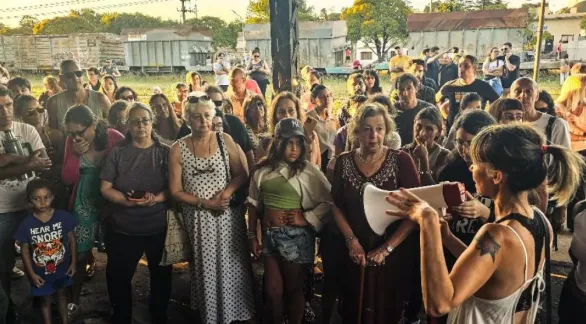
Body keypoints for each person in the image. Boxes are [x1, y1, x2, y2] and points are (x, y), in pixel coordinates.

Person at [386, 123, 583, 323]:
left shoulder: (496, 235)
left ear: (496, 176)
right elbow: (490, 267)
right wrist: (446, 237)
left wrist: (427, 222)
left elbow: (439, 304)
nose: (471, 168)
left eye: (476, 163)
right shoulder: (540, 220)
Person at [168, 91, 255, 324]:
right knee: (206, 266)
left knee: (233, 264)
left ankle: (237, 313)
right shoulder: (178, 148)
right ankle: (212, 315)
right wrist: (205, 203)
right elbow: (175, 190)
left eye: (207, 115)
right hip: (198, 218)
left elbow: (242, 174)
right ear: (187, 119)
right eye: (197, 117)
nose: (203, 121)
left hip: (227, 214)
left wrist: (225, 194)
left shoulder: (224, 139)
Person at [331, 102, 422, 323]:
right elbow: (336, 205)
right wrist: (351, 241)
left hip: (394, 252)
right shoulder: (343, 162)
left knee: (386, 310)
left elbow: (417, 209)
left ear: (387, 131)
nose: (374, 135)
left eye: (379, 128)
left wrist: (387, 248)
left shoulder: (401, 160)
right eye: (367, 129)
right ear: (357, 132)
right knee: (354, 308)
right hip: (355, 251)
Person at [247, 117, 332, 324]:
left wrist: (307, 218)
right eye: (288, 143)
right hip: (269, 237)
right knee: (273, 290)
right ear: (277, 143)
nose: (294, 148)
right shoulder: (262, 171)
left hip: (296, 238)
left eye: (298, 143)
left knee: (295, 288)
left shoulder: (308, 170)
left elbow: (329, 201)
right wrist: (252, 235)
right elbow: (253, 203)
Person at [100, 103, 171, 324]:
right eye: (135, 121)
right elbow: (105, 188)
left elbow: (176, 188)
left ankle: (158, 315)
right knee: (118, 277)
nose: (141, 125)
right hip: (123, 227)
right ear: (127, 125)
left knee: (161, 277)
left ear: (152, 123)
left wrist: (155, 199)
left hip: (158, 226)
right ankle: (121, 316)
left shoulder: (165, 152)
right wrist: (127, 202)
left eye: (145, 120)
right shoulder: (118, 153)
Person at [61, 105, 124, 314]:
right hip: (83, 203)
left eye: (80, 131)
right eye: (71, 133)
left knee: (116, 254)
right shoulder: (72, 143)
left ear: (94, 124)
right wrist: (75, 155)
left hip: (111, 201)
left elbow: (127, 166)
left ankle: (118, 301)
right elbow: (67, 178)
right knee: (79, 255)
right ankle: (74, 299)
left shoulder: (113, 136)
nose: (76, 137)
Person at [0, 86, 51, 324]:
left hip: (33, 208)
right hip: (2, 212)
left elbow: (43, 163)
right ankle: (8, 312)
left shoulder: (27, 129)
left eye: (8, 105)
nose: (4, 111)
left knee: (42, 260)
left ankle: (43, 307)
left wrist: (9, 160)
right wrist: (29, 163)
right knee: (3, 266)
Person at [15, 179, 77, 324]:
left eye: (46, 197)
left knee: (62, 296)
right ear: (29, 201)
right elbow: (24, 251)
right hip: (40, 274)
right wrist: (31, 274)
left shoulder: (63, 217)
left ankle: (65, 321)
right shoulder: (26, 224)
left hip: (62, 269)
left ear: (53, 197)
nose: (42, 202)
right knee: (45, 301)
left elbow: (72, 240)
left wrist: (73, 263)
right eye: (37, 198)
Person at [14, 95, 66, 199]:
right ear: (20, 116)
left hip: (53, 186)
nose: (37, 114)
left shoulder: (55, 135)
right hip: (25, 190)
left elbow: (64, 164)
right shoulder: (17, 140)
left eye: (39, 109)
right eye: (30, 112)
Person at [436, 55, 499, 131]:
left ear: (474, 69)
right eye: (460, 66)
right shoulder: (450, 85)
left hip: (476, 131)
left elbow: (498, 104)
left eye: (466, 66)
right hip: (453, 131)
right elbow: (436, 101)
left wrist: (487, 120)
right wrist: (444, 120)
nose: (461, 69)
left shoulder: (484, 86)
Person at [258, 92, 321, 167]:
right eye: (281, 112)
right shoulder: (266, 142)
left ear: (297, 113)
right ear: (275, 115)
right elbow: (261, 171)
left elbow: (315, 168)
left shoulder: (311, 137)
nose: (287, 115)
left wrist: (309, 145)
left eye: (291, 111)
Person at [47, 60, 110, 131]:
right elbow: (52, 132)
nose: (75, 78)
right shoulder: (54, 102)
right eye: (69, 75)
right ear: (62, 78)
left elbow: (112, 127)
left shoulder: (100, 99)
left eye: (78, 73)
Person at [206, 86, 255, 170]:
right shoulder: (199, 125)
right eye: (210, 103)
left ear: (222, 104)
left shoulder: (234, 122)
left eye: (218, 103)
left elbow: (248, 152)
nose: (214, 107)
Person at [401, 107, 449, 185]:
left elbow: (435, 191)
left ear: (438, 132)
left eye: (429, 129)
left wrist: (423, 160)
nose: (421, 133)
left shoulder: (444, 156)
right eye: (418, 126)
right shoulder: (402, 153)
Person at [394, 73, 436, 144]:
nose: (405, 93)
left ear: (416, 89)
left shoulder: (428, 110)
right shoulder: (391, 111)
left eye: (409, 88)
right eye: (401, 89)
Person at [307, 84, 339, 171]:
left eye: (328, 96)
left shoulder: (333, 119)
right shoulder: (309, 118)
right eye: (322, 97)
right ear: (313, 100)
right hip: (317, 158)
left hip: (332, 159)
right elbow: (306, 140)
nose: (327, 99)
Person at [555, 74, 586, 152]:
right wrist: (581, 137)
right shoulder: (557, 109)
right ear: (578, 90)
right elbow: (560, 135)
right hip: (568, 152)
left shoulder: (584, 105)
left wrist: (577, 121)